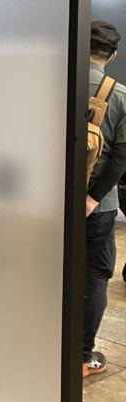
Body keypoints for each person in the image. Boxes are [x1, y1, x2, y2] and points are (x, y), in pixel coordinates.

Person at [85, 20, 126, 376]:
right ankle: (83, 356)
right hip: (98, 207)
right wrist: (93, 198)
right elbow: (121, 158)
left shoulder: (55, 83)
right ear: (112, 55)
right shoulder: (121, 95)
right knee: (95, 276)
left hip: (47, 204)